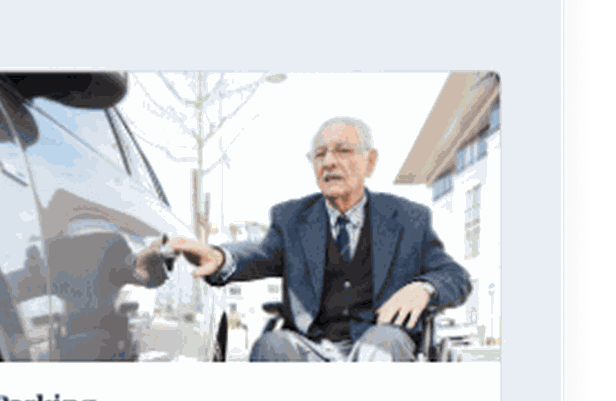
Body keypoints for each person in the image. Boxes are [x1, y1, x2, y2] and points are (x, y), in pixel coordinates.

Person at [167, 117, 471, 362]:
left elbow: (455, 276)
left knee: (381, 346)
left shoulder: (407, 219)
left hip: (382, 339)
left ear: (371, 161)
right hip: (312, 347)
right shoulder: (292, 219)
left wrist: (425, 288)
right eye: (320, 154)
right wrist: (220, 258)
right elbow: (260, 253)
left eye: (343, 150)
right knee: (272, 346)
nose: (329, 162)